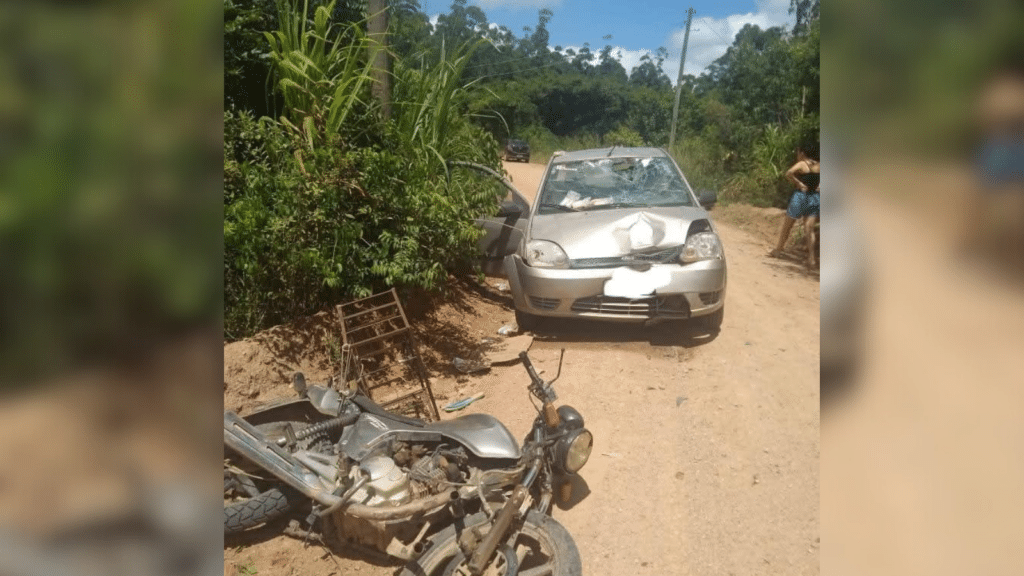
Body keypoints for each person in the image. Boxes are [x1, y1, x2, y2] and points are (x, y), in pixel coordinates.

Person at [768, 143, 820, 269]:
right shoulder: (819, 165)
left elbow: (788, 173)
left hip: (800, 197)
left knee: (788, 225)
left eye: (798, 152)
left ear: (802, 153)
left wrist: (799, 183)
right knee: (809, 228)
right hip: (814, 198)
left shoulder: (802, 164)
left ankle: (778, 250)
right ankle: (812, 259)